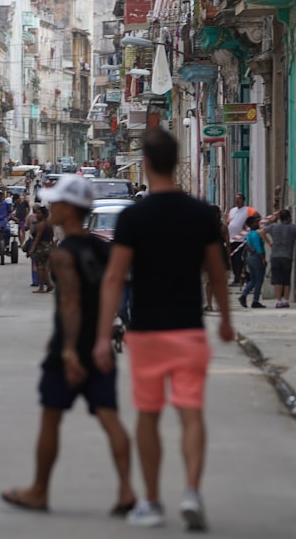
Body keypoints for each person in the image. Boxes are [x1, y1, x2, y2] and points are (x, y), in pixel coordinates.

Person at [93, 129, 234, 531]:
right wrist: (224, 319)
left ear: (148, 164)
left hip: (147, 333)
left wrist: (104, 335)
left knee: (149, 416)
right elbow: (218, 273)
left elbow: (115, 277)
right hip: (189, 329)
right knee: (191, 412)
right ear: (176, 161)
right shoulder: (201, 213)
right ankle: (191, 491)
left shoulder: (134, 217)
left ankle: (152, 502)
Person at [0, 174, 136, 516]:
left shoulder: (64, 255)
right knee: (110, 418)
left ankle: (39, 491)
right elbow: (115, 289)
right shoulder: (102, 248)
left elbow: (71, 304)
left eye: (57, 202)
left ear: (69, 209)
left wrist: (69, 350)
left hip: (71, 348)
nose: (52, 207)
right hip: (100, 343)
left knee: (51, 418)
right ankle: (126, 490)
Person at [263, 209, 296, 308]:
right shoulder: (294, 228)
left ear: (280, 218)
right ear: (289, 217)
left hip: (275, 256)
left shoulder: (273, 227)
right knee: (286, 279)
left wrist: (269, 242)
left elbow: (261, 231)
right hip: (287, 257)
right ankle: (286, 300)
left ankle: (278, 301)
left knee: (277, 280)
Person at [236, 214, 267, 309]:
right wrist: (263, 259)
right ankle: (255, 301)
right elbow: (258, 248)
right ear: (251, 224)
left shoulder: (248, 234)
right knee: (259, 280)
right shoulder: (256, 234)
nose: (257, 223)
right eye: (255, 222)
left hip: (249, 258)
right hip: (256, 258)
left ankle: (244, 295)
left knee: (253, 280)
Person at [203, 205, 230, 313]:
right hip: (220, 254)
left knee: (209, 282)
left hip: (208, 256)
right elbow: (228, 244)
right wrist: (229, 259)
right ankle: (221, 306)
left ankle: (209, 304)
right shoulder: (223, 227)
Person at [227, 194, 251, 286]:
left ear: (243, 200)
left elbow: (257, 216)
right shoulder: (232, 210)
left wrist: (247, 222)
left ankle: (244, 278)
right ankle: (236, 278)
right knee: (233, 259)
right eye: (236, 199)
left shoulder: (248, 210)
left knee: (241, 259)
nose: (237, 201)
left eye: (239, 199)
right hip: (232, 239)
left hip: (242, 240)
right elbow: (229, 221)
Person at [29, 206, 54, 294]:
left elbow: (38, 237)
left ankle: (41, 287)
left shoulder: (41, 224)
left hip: (41, 247)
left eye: (39, 213)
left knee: (40, 267)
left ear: (43, 215)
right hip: (48, 246)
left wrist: (32, 249)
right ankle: (49, 284)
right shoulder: (49, 223)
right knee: (45, 267)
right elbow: (52, 236)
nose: (37, 215)